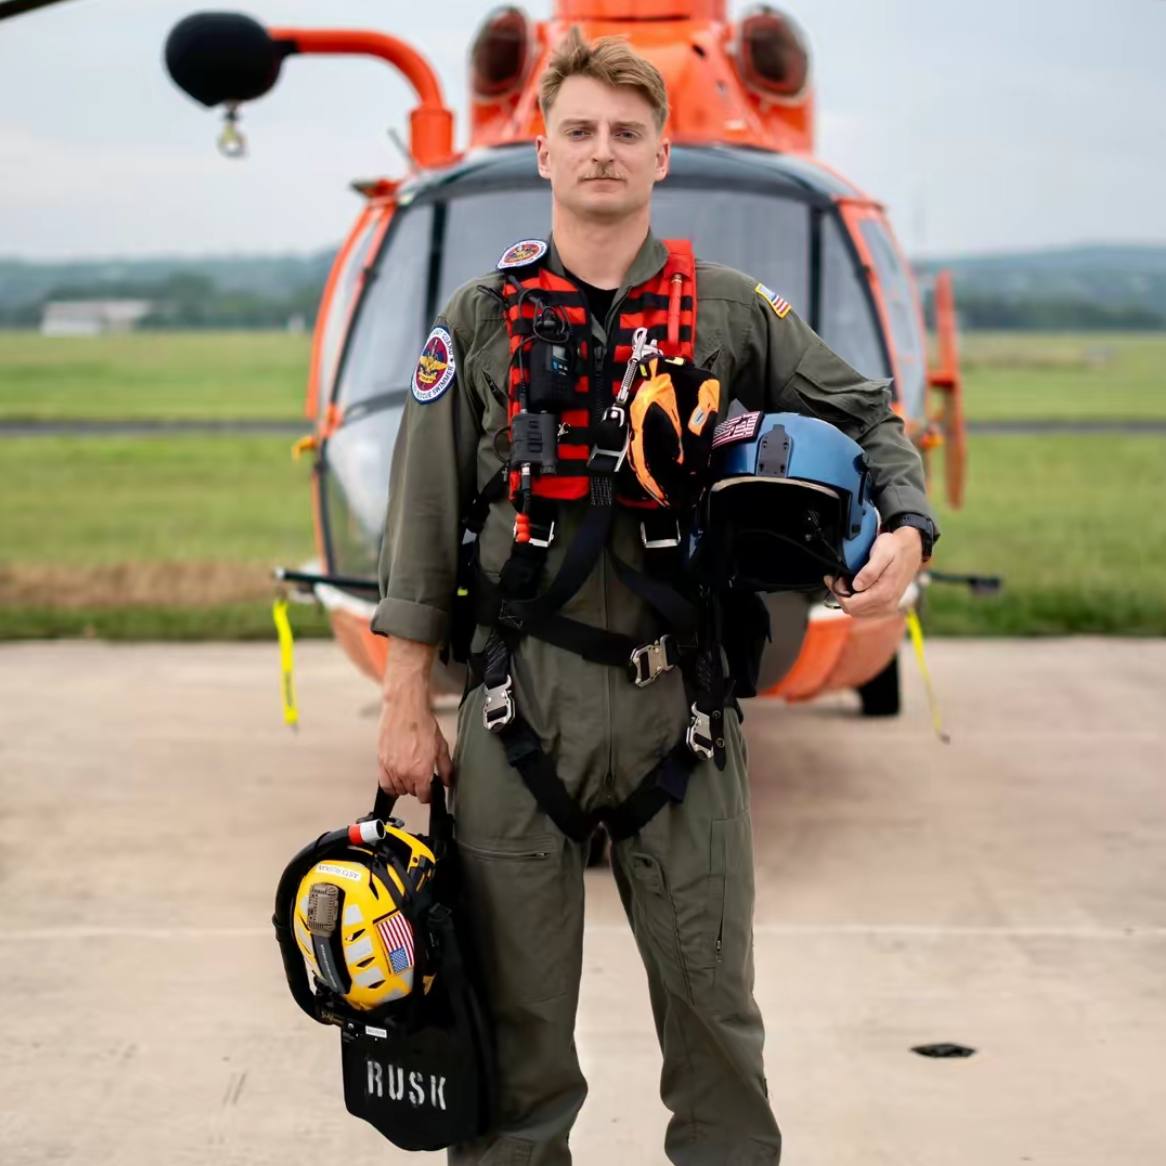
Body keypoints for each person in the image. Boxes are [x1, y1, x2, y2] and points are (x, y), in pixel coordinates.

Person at [372, 29, 938, 1166]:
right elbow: (422, 517)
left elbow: (869, 410)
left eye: (626, 134)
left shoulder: (729, 313)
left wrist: (910, 526)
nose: (601, 153)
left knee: (716, 1025)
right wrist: (403, 701)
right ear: (542, 153)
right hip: (513, 708)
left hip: (680, 707)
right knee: (515, 1039)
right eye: (577, 132)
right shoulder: (480, 319)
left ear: (660, 156)